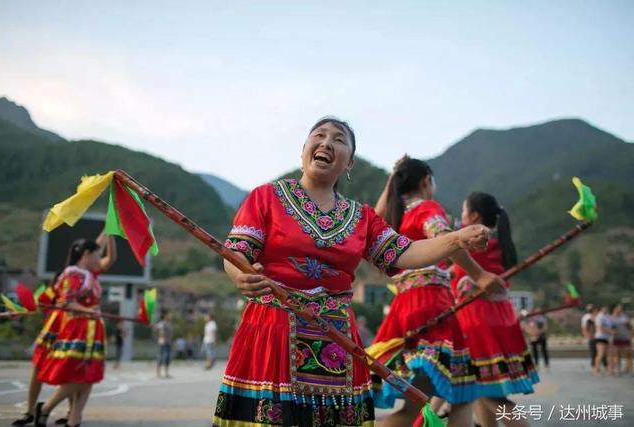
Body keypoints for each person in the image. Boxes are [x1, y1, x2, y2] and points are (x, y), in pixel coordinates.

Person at [212, 117, 493, 426]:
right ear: (304, 150)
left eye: (339, 139)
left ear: (349, 163)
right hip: (273, 329)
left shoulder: (362, 217)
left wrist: (456, 239)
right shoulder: (266, 197)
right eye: (319, 135)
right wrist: (241, 274)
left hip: (336, 337)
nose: (327, 142)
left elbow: (404, 252)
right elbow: (237, 250)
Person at [368, 159, 505, 427]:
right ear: (426, 181)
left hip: (406, 306)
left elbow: (376, 214)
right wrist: (480, 275)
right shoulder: (427, 208)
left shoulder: (397, 219)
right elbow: (448, 241)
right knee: (438, 402)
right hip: (431, 304)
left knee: (453, 395)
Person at [451, 192, 539, 427]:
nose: (461, 217)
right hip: (500, 318)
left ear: (474, 216)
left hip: (477, 319)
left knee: (488, 391)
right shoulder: (500, 243)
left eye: (463, 212)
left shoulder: (473, 242)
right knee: (483, 387)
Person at [12, 233, 115, 427]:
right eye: (94, 253)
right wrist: (24, 308)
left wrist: (110, 227)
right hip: (62, 323)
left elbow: (98, 248)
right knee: (43, 366)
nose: (97, 256)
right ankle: (32, 410)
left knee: (75, 369)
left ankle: (70, 415)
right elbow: (49, 300)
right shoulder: (70, 274)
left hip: (79, 324)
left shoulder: (89, 274)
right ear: (86, 254)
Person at [611, 304, 632, 375]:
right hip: (616, 338)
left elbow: (630, 327)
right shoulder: (612, 318)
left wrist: (628, 325)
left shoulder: (625, 317)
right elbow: (610, 327)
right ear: (615, 309)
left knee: (628, 354)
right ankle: (618, 369)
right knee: (617, 354)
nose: (619, 310)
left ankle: (629, 368)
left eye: (621, 309)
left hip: (625, 337)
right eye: (618, 309)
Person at [593, 306, 612, 375]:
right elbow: (599, 328)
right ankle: (596, 369)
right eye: (604, 309)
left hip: (607, 338)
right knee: (600, 354)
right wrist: (610, 331)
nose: (605, 310)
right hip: (600, 337)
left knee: (607, 354)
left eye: (606, 309)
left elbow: (611, 326)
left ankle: (609, 369)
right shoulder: (599, 317)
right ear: (601, 309)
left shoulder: (608, 316)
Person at [155, 310, 173, 378]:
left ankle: (166, 373)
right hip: (162, 342)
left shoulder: (169, 323)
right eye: (169, 314)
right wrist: (161, 335)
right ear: (165, 316)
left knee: (167, 358)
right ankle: (158, 372)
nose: (170, 316)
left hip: (168, 342)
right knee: (161, 357)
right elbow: (157, 329)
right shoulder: (162, 323)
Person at [581, 304, 598, 368]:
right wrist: (587, 336)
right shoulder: (586, 317)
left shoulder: (598, 316)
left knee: (599, 352)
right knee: (593, 352)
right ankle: (594, 366)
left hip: (599, 336)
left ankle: (599, 365)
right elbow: (584, 328)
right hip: (591, 336)